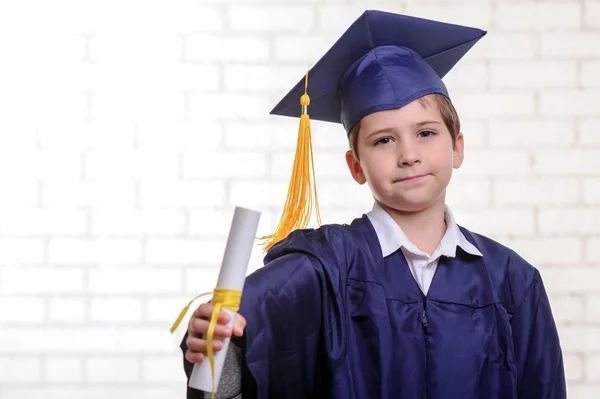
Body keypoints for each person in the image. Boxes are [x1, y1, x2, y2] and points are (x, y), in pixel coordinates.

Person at [180, 10, 566, 399]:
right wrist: (219, 343)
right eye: (383, 140)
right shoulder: (324, 267)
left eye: (426, 133)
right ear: (356, 166)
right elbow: (246, 333)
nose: (408, 154)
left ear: (457, 148)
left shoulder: (513, 281)